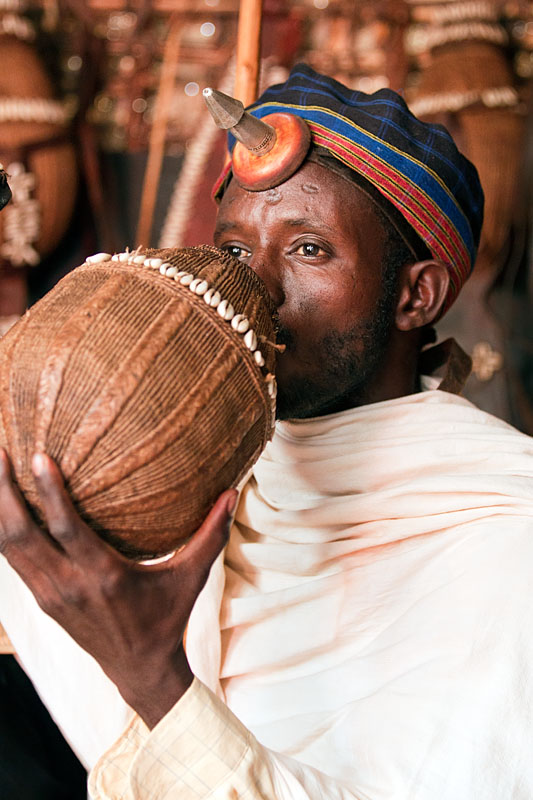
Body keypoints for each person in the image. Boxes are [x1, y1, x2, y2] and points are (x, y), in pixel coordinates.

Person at [1, 64, 533, 799]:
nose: (254, 288)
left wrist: (150, 673)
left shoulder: (504, 543)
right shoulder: (176, 462)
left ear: (416, 295)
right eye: (234, 251)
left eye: (308, 249)